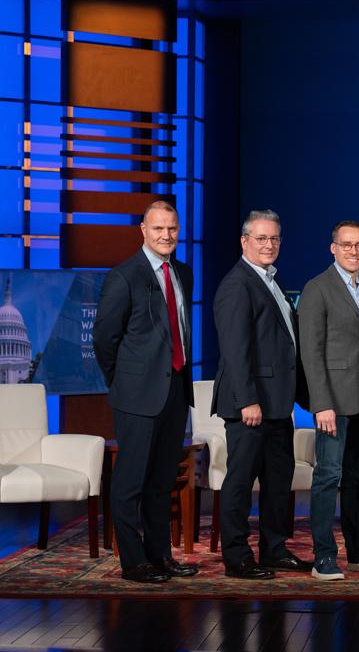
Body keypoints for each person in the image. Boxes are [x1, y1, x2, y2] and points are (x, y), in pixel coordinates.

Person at [93, 200, 198, 584]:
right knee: (131, 482)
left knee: (162, 481)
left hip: (175, 391)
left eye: (172, 228)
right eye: (158, 228)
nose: (166, 235)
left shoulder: (183, 272)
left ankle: (160, 556)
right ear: (143, 230)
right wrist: (122, 381)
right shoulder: (124, 276)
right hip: (136, 395)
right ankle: (134, 562)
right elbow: (104, 339)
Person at [212, 209, 312, 579]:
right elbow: (235, 350)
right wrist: (247, 400)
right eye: (261, 238)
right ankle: (237, 557)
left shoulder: (270, 280)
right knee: (240, 482)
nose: (269, 245)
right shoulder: (237, 285)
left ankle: (274, 549)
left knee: (278, 480)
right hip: (250, 406)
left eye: (274, 238)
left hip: (277, 404)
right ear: (244, 242)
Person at [298, 221, 359, 580]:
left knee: (357, 477)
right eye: (346, 245)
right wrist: (321, 403)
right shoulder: (317, 288)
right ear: (333, 248)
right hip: (332, 401)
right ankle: (323, 556)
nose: (353, 251)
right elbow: (310, 352)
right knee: (327, 476)